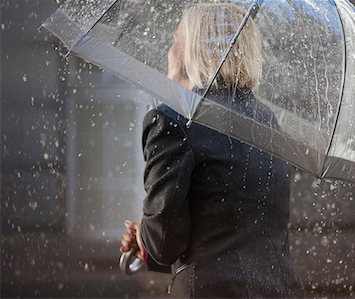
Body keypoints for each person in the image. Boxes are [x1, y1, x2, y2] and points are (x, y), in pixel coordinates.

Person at [119, 3, 304, 298]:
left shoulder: (173, 120)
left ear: (190, 51)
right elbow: (234, 226)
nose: (169, 51)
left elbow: (165, 243)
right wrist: (150, 236)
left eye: (175, 41)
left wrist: (145, 234)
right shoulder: (267, 122)